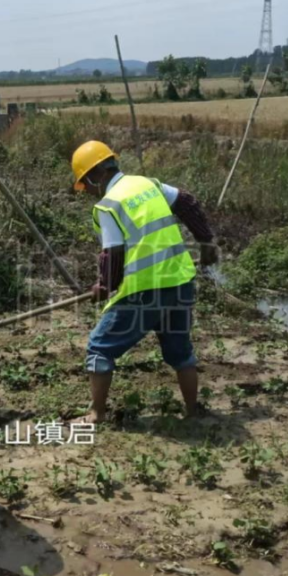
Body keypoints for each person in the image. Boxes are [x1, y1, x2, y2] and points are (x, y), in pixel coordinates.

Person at [70, 141, 219, 422]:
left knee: (99, 349)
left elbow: (113, 252)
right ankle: (192, 412)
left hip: (144, 291)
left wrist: (104, 286)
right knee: (181, 352)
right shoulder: (147, 184)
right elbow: (187, 202)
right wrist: (207, 243)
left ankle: (96, 414)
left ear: (96, 174)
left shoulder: (108, 205)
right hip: (180, 282)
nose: (87, 191)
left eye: (85, 185)